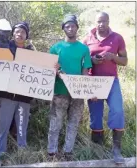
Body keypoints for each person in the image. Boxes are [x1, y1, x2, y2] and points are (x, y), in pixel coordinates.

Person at [0, 14, 36, 167]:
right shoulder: (3, 47)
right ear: (13, 33)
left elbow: (41, 71)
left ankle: (22, 156)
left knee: (22, 128)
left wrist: (53, 68)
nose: (20, 34)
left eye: (23, 32)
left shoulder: (32, 52)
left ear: (26, 35)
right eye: (17, 31)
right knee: (3, 128)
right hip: (6, 97)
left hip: (24, 99)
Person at [82, 12, 128, 164]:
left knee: (117, 111)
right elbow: (81, 60)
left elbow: (124, 61)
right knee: (96, 115)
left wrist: (113, 57)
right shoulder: (87, 38)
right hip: (93, 81)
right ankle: (97, 149)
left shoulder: (117, 38)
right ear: (95, 22)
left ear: (109, 21)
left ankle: (116, 149)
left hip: (111, 81)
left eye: (104, 21)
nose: (101, 24)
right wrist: (92, 60)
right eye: (98, 22)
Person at [47, 14, 92, 161]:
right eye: (67, 26)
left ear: (77, 28)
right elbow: (48, 70)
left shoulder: (84, 49)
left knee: (73, 123)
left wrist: (88, 89)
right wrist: (57, 71)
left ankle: (68, 152)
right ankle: (51, 153)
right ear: (63, 29)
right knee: (55, 123)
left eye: (73, 25)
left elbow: (85, 71)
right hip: (60, 92)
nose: (70, 28)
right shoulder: (56, 48)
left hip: (77, 94)